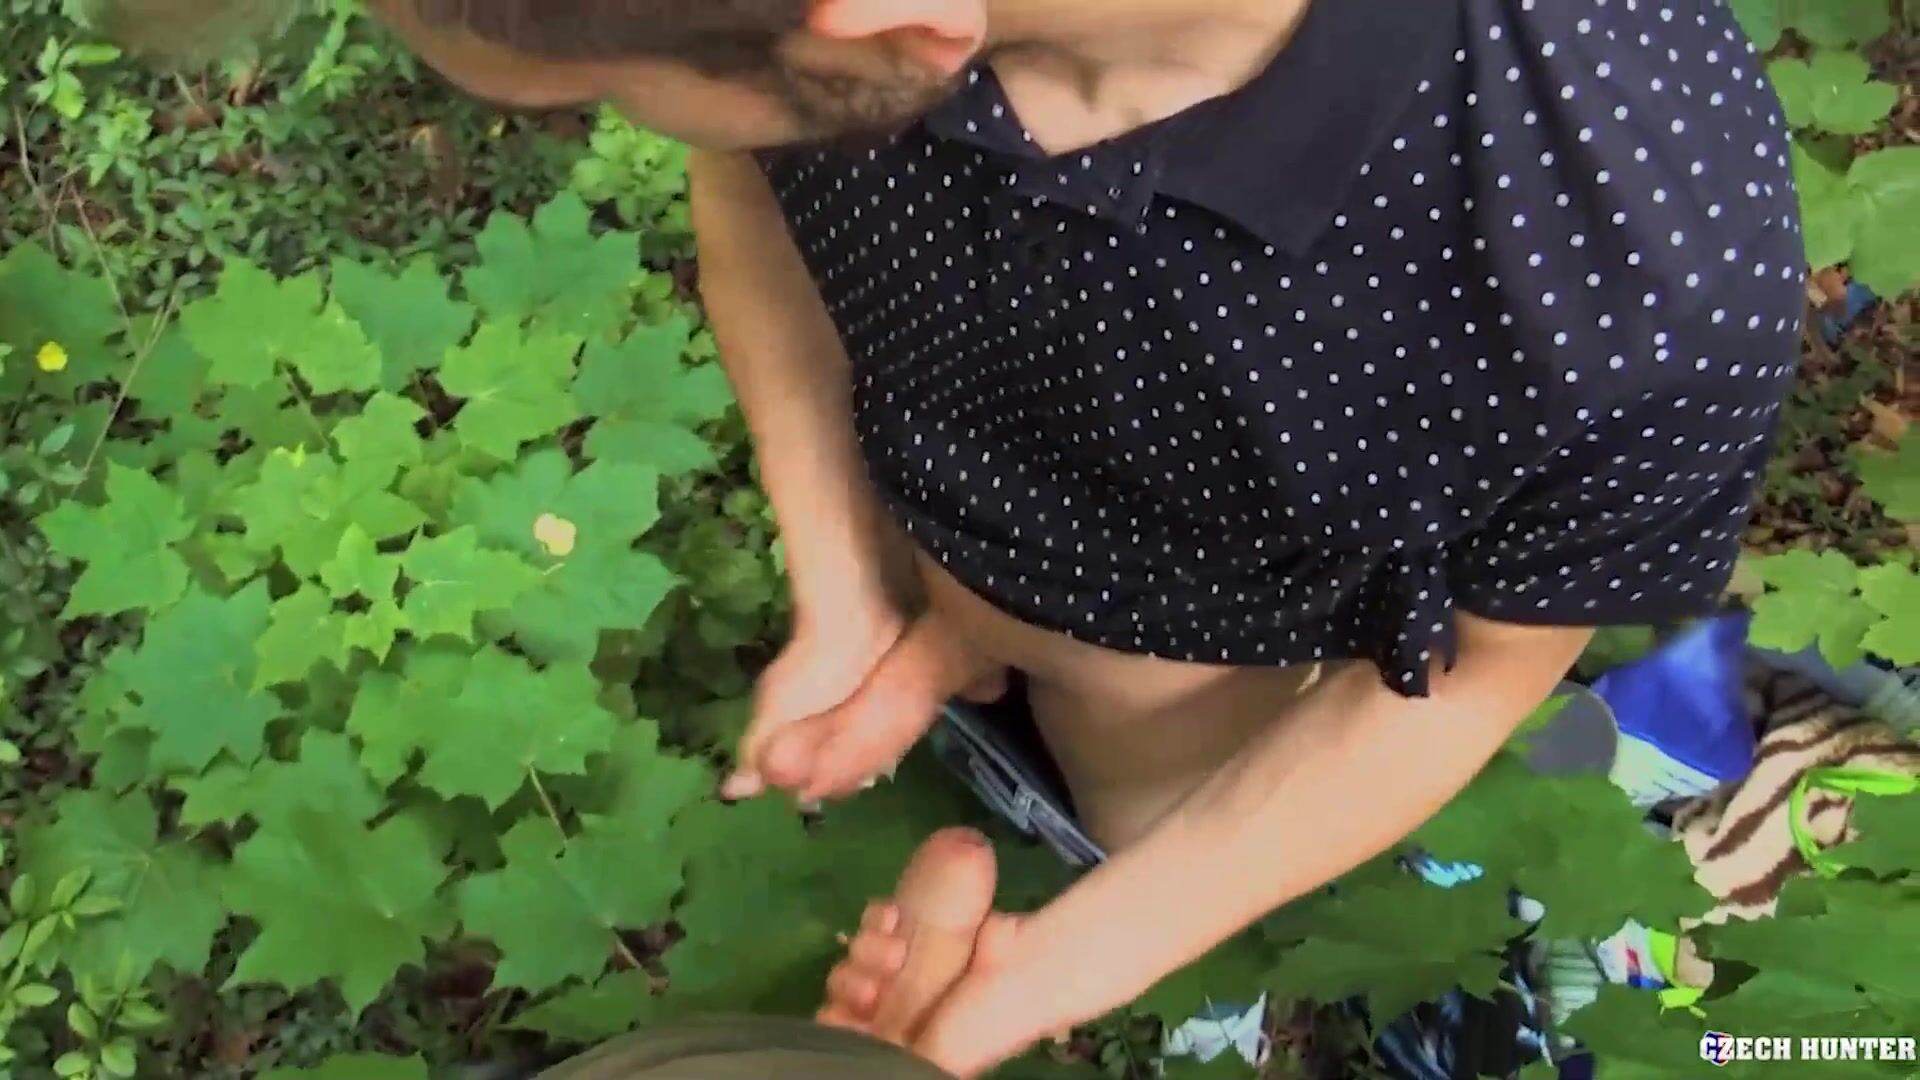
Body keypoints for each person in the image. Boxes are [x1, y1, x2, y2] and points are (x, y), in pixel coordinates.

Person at [110, 1, 1806, 1076]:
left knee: (1153, 781)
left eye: (618, 93)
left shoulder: (1632, 257)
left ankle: (1230, 953)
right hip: (972, 531)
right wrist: (851, 589)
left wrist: (1083, 958)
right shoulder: (823, 69)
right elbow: (756, 177)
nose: (655, 133)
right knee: (1081, 725)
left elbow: (1478, 674)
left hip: (1205, 640)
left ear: (891, 27)